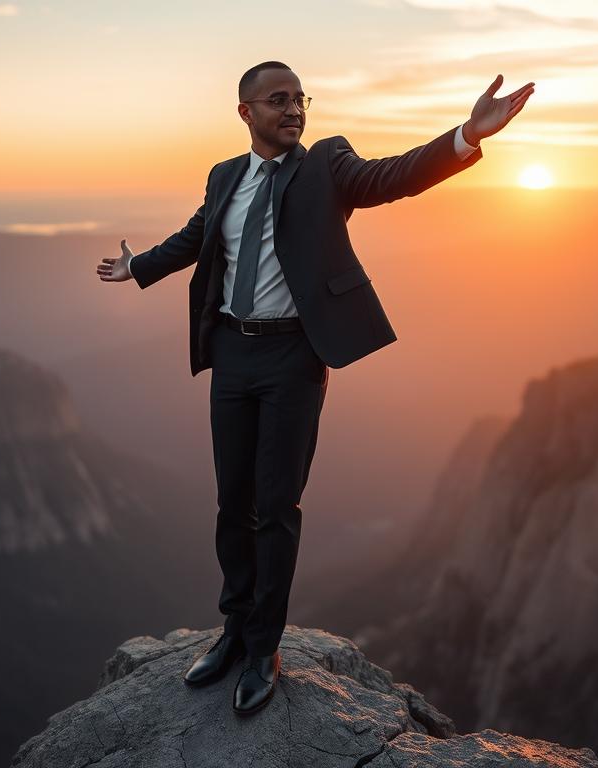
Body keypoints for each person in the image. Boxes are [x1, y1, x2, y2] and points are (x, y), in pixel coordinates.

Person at [97, 61, 533, 716]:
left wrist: (466, 137)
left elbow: (393, 176)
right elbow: (196, 238)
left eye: (300, 98)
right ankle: (235, 629)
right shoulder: (223, 177)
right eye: (278, 100)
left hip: (294, 357)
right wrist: (138, 266)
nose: (294, 109)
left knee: (275, 506)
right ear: (245, 112)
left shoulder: (327, 164)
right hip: (232, 352)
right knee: (232, 503)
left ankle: (264, 648)